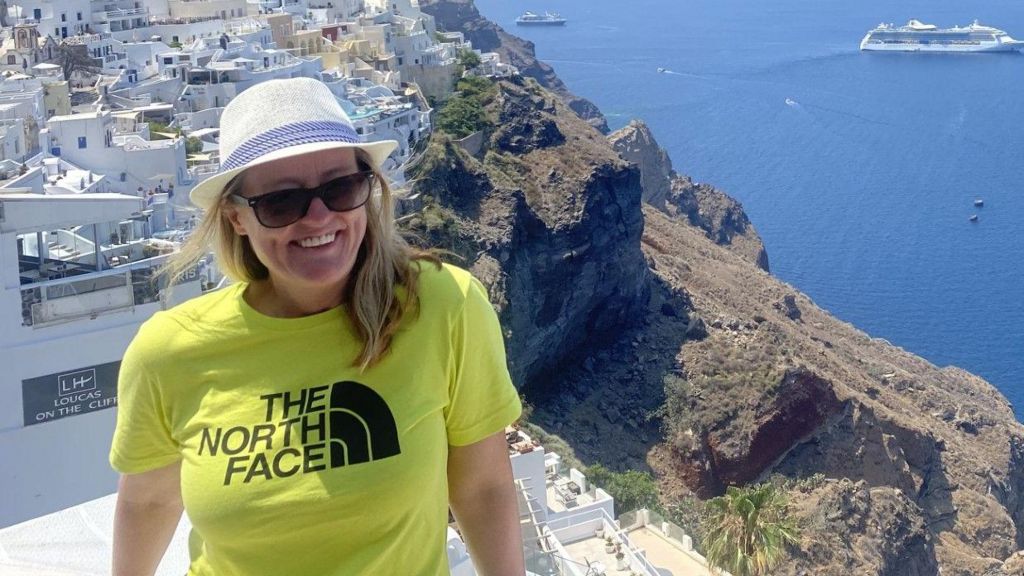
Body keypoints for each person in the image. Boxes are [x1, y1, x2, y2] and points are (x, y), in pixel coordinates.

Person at [110, 77, 525, 575]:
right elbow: (148, 502)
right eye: (282, 202)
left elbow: (482, 487)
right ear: (237, 218)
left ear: (368, 191)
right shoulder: (170, 351)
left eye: (341, 187)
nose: (319, 217)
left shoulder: (442, 305)